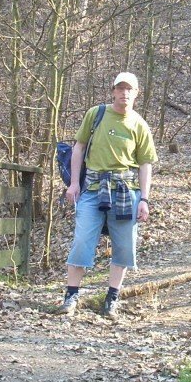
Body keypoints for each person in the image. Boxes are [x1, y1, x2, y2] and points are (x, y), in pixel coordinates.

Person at [56, 72, 157, 319]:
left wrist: (144, 199)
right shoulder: (96, 114)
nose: (124, 93)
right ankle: (71, 296)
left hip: (125, 192)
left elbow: (145, 164)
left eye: (129, 89)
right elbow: (78, 147)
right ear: (113, 91)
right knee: (82, 241)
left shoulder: (139, 124)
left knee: (124, 246)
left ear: (136, 93)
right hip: (92, 190)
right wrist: (74, 184)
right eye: (120, 88)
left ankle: (112, 298)